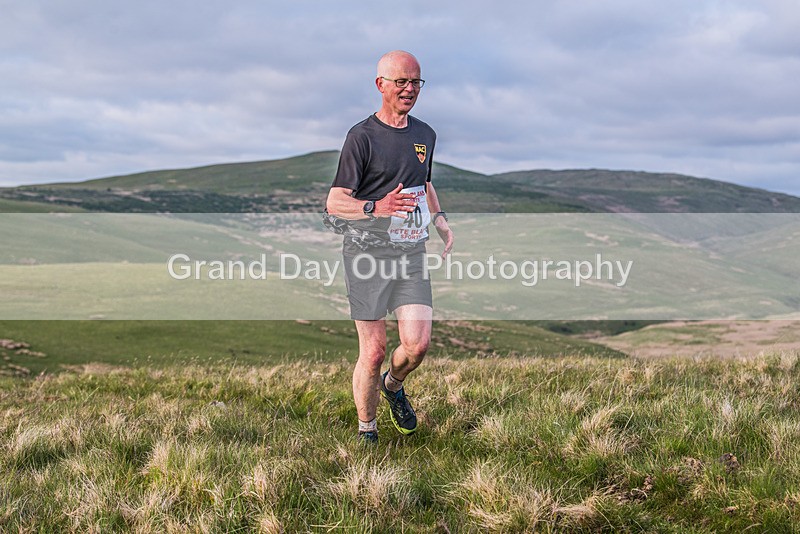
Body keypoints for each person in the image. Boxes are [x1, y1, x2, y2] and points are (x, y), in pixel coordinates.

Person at [325, 50, 454, 444]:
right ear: (380, 84)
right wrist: (376, 207)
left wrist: (440, 218)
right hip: (366, 255)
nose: (410, 89)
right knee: (375, 349)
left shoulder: (425, 134)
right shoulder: (361, 137)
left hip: (411, 251)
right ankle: (367, 431)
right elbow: (335, 201)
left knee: (417, 345)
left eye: (416, 82)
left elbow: (424, 182)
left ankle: (394, 386)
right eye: (401, 82)